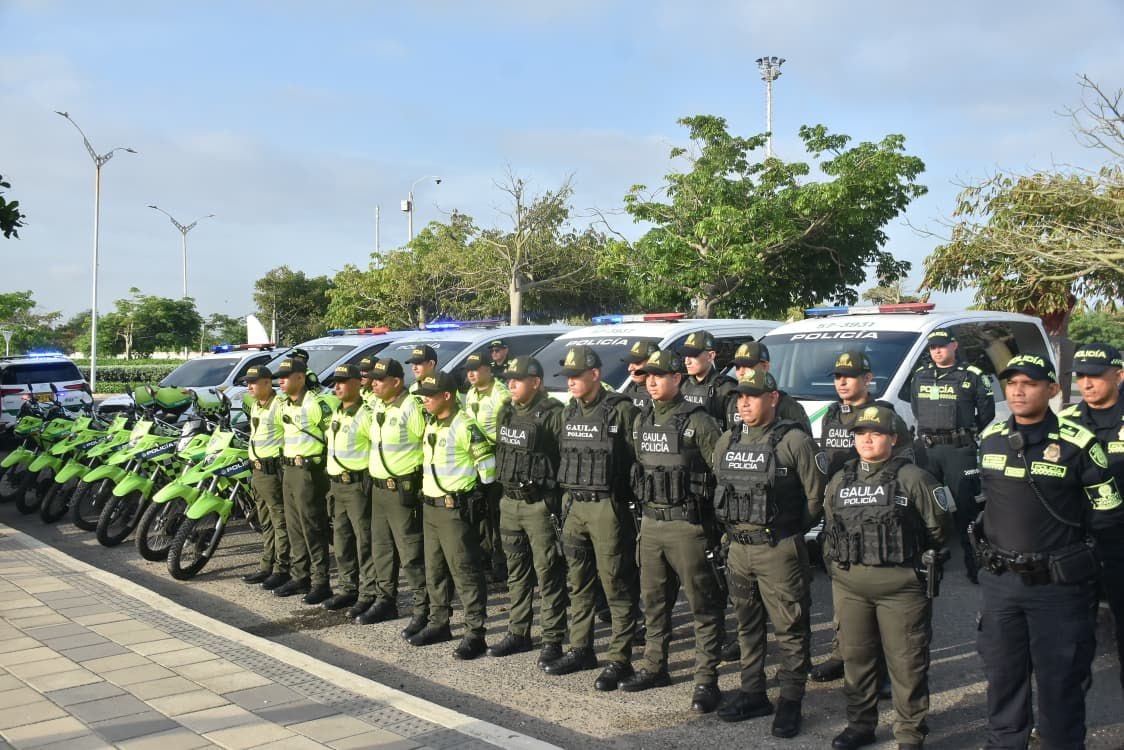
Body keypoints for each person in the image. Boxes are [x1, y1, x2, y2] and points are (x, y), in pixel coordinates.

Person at [974, 354, 1121, 750]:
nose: (1019, 391)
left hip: (1058, 587)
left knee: (1060, 680)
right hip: (1002, 584)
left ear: (1053, 390)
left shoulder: (1078, 443)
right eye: (1012, 383)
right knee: (1003, 675)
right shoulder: (990, 438)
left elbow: (1107, 515)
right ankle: (1006, 742)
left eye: (1030, 383)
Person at [822, 405, 949, 750]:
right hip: (851, 587)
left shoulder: (914, 478)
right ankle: (859, 725)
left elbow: (939, 531)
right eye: (861, 434)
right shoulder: (840, 479)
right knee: (856, 658)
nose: (867, 440)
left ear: (892, 438)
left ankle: (909, 733)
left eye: (875, 433)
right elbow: (831, 529)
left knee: (906, 663)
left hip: (901, 588)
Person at [713, 370, 826, 737]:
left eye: (752, 396)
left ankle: (791, 700)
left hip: (779, 549)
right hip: (738, 549)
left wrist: (787, 531)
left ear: (772, 398)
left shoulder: (794, 440)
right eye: (739, 397)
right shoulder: (726, 440)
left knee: (790, 628)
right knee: (746, 625)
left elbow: (815, 498)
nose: (743, 403)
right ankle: (753, 692)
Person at [619, 348, 725, 713]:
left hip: (688, 526)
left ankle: (706, 680)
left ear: (677, 379)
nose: (651, 381)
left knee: (703, 606)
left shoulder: (700, 421)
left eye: (659, 375)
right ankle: (654, 666)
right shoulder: (642, 419)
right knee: (653, 603)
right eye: (648, 375)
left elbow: (722, 475)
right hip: (650, 524)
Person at [811, 349, 914, 684]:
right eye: (838, 376)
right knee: (844, 588)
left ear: (867, 379)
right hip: (841, 512)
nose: (842, 382)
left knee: (880, 599)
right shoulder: (830, 415)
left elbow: (907, 464)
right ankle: (844, 654)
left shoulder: (884, 415)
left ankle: (882, 668)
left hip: (876, 513)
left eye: (850, 376)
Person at [543, 345, 640, 692]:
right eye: (567, 377)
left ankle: (620, 659)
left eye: (576, 376)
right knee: (578, 583)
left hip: (607, 508)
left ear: (595, 375)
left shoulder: (620, 411)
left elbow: (638, 460)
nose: (570, 382)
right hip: (575, 507)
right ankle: (581, 649)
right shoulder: (568, 412)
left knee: (616, 584)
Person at [487, 356, 569, 666]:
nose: (510, 383)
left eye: (517, 379)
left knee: (548, 573)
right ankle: (518, 631)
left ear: (535, 382)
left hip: (539, 504)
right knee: (516, 571)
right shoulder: (505, 411)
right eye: (508, 378)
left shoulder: (553, 415)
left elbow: (564, 459)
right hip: (509, 502)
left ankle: (552, 638)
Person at [410, 371, 496, 660]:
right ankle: (439, 622)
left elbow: (488, 467)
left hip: (454, 509)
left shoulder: (465, 426)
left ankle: (475, 633)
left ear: (447, 396)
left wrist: (473, 497)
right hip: (431, 507)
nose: (425, 401)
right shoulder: (433, 423)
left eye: (430, 396)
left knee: (465, 572)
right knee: (434, 569)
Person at [1059, 343, 1124, 699]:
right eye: (1081, 376)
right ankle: (1063, 724)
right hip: (1079, 542)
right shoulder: (1065, 422)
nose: (1086, 383)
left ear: (1119, 375)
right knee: (1070, 637)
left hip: (1121, 540)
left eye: (1095, 376)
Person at [911, 329, 995, 584]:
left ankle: (975, 564)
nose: (937, 351)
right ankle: (927, 564)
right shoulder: (920, 375)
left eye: (942, 346)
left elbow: (987, 413)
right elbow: (916, 408)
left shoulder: (973, 375)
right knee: (924, 508)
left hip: (959, 450)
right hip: (928, 450)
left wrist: (964, 434)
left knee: (966, 510)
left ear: (954, 346)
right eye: (933, 347)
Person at [358, 357, 428, 634]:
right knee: (382, 549)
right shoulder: (377, 405)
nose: (373, 382)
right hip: (378, 489)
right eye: (372, 378)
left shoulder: (412, 407)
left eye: (379, 379)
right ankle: (385, 600)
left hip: (401, 490)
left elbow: (426, 443)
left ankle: (424, 609)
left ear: (396, 382)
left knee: (411, 554)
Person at [274, 357, 335, 604]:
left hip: (309, 473)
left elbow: (333, 437)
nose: (281, 381)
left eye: (286, 377)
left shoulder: (316, 404)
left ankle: (321, 582)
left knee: (312, 527)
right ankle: (300, 576)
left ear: (300, 377)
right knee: (294, 527)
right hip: (289, 471)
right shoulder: (285, 405)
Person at [322, 364, 379, 615]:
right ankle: (347, 588)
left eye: (343, 382)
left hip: (357, 486)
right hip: (337, 486)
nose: (337, 386)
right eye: (335, 382)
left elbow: (378, 449)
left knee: (364, 542)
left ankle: (368, 593)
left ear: (358, 383)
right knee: (342, 541)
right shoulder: (337, 413)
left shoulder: (365, 414)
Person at [463, 351, 511, 584]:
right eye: (468, 369)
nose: (471, 373)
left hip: (497, 458)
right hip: (477, 460)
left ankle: (501, 563)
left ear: (488, 370)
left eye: (476, 368)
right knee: (481, 514)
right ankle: (486, 555)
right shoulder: (471, 392)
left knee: (496, 515)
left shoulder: (500, 394)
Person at [243, 365, 290, 591]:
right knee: (266, 523)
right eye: (248, 382)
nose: (249, 386)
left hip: (273, 472)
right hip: (258, 471)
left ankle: (282, 568)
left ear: (267, 382)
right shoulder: (256, 405)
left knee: (279, 521)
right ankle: (266, 565)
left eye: (254, 382)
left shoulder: (279, 406)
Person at [729, 341, 812, 434]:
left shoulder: (787, 406)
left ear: (765, 366)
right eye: (737, 367)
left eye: (747, 366)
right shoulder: (733, 401)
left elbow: (802, 442)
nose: (741, 372)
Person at [679, 330, 738, 430]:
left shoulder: (727, 389)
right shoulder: (681, 384)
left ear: (710, 356)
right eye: (686, 355)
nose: (687, 361)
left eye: (693, 356)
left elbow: (734, 433)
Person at [622, 340, 659, 410]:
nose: (629, 368)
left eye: (636, 363)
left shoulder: (667, 393)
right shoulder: (629, 389)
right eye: (630, 363)